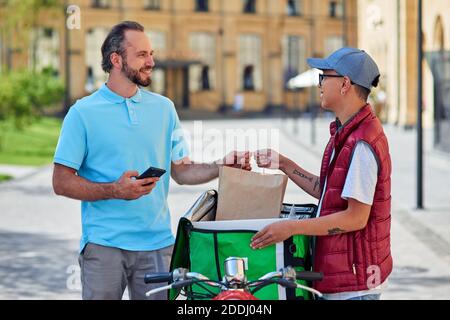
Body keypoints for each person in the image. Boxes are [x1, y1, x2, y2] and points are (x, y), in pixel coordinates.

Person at [52, 21, 250, 300]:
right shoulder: (82, 113)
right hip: (104, 245)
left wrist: (221, 167)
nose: (151, 61)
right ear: (116, 59)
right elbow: (61, 182)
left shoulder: (164, 108)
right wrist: (114, 190)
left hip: (158, 245)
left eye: (151, 53)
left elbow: (181, 171)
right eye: (142, 55)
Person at [251, 47, 392, 300]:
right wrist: (285, 164)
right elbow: (329, 192)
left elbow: (355, 218)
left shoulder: (362, 142)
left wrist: (292, 228)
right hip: (341, 279)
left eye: (323, 77)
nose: (320, 85)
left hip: (353, 288)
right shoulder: (346, 132)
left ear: (345, 84)